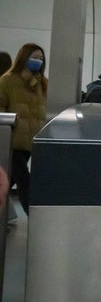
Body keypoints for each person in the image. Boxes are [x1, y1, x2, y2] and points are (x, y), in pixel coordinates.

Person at [0, 43, 48, 215]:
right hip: (14, 140)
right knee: (24, 180)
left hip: (33, 140)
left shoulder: (42, 83)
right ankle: (34, 219)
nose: (38, 61)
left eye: (41, 59)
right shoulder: (8, 80)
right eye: (34, 57)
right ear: (24, 57)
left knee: (11, 179)